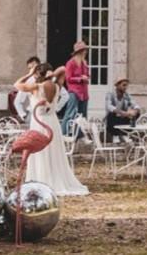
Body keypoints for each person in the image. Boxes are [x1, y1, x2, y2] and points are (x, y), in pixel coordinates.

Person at [15, 64, 88, 196]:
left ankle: (41, 180)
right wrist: (52, 75)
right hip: (52, 122)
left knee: (40, 152)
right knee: (53, 151)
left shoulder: (37, 87)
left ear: (38, 74)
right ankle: (54, 178)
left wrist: (29, 74)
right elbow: (63, 69)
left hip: (39, 122)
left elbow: (17, 84)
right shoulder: (56, 86)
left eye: (36, 73)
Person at [61, 41, 91, 138]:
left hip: (84, 92)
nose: (85, 52)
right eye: (84, 50)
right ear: (80, 51)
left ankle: (80, 136)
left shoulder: (84, 63)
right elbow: (68, 78)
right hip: (74, 91)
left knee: (82, 116)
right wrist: (80, 78)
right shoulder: (70, 63)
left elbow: (87, 75)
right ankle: (63, 134)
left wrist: (86, 77)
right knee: (70, 113)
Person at [12, 56, 42, 123]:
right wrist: (23, 115)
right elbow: (17, 101)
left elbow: (64, 95)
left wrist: (56, 108)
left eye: (34, 67)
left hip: (47, 114)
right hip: (32, 115)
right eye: (30, 68)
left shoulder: (48, 79)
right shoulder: (28, 82)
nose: (33, 70)